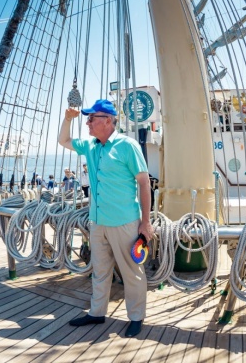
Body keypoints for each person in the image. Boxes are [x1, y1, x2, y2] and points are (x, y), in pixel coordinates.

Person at [58, 98, 153, 338]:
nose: (88, 122)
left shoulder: (127, 146)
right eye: (88, 118)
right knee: (100, 271)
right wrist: (68, 119)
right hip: (98, 221)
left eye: (92, 118)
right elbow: (63, 140)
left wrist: (145, 222)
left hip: (124, 221)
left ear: (108, 121)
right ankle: (97, 312)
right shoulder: (91, 146)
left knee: (131, 272)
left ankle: (136, 317)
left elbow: (144, 183)